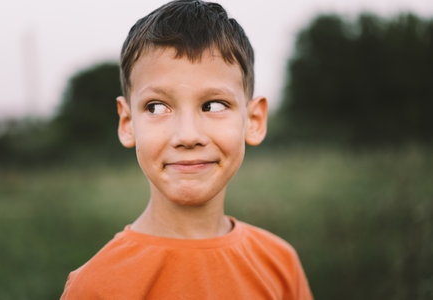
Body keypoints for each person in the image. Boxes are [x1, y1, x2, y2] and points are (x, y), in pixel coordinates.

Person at [60, 0, 313, 299]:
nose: (187, 135)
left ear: (254, 120)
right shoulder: (95, 287)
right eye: (157, 107)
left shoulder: (281, 264)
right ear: (127, 122)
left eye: (214, 105)